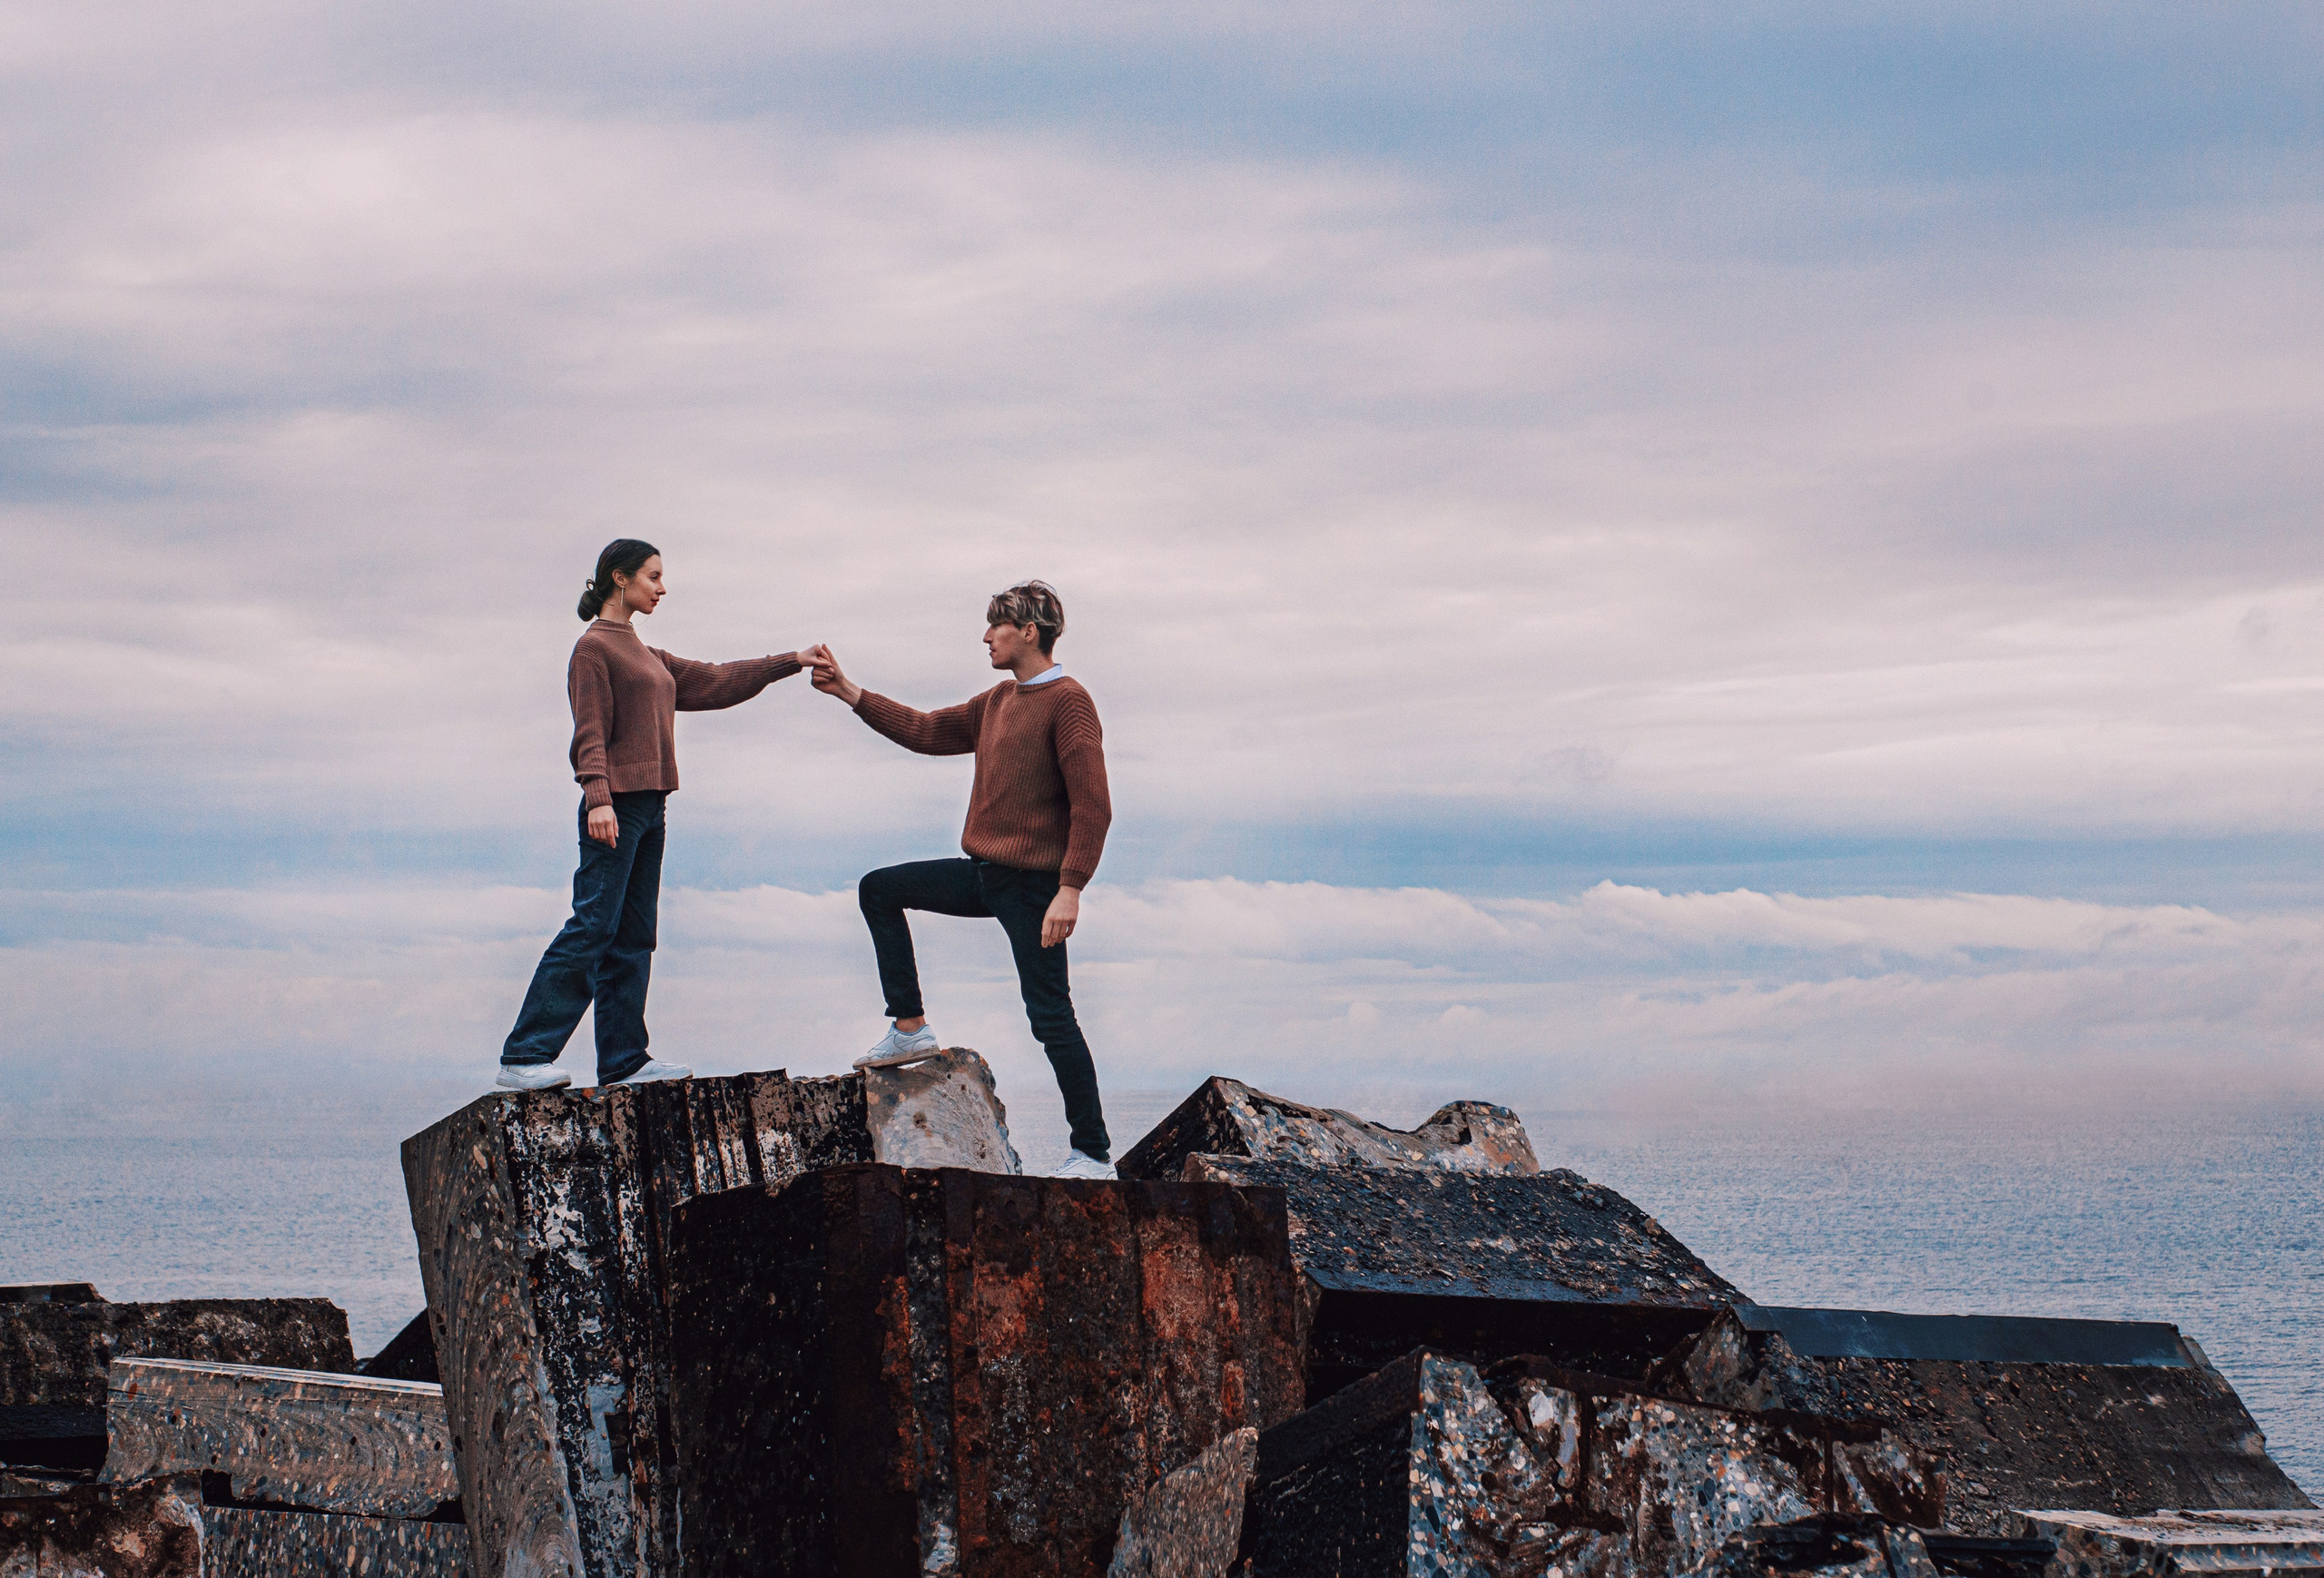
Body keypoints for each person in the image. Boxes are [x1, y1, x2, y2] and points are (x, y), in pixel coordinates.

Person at [802, 581, 1116, 1179]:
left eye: (996, 626)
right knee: (880, 888)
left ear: (1029, 631)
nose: (986, 636)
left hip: (1035, 889)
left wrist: (1070, 887)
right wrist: (848, 691)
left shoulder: (1069, 702)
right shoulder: (997, 701)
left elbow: (1092, 806)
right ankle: (910, 1028)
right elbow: (924, 730)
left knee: (1051, 1018)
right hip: (984, 875)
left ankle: (1095, 1154)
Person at [497, 538, 806, 1091]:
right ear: (620, 579)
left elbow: (717, 680)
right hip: (614, 806)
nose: (662, 587)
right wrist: (598, 797)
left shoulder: (649, 656)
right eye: (654, 576)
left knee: (634, 935)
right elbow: (589, 731)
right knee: (593, 926)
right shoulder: (594, 650)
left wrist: (790, 662)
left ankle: (623, 1061)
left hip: (653, 806)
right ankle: (523, 1057)